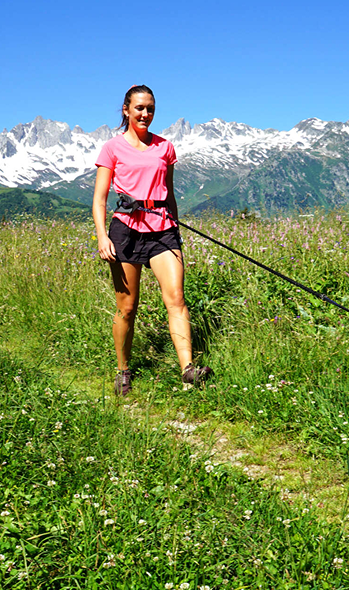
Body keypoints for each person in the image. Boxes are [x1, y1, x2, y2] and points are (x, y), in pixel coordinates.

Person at [92, 85, 213, 394]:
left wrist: (175, 225)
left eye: (150, 109)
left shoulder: (165, 148)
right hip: (125, 231)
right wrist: (102, 237)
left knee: (176, 300)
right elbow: (100, 199)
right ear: (126, 110)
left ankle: (188, 370)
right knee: (128, 308)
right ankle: (123, 371)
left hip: (163, 231)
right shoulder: (112, 148)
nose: (145, 114)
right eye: (139, 108)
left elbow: (169, 193)